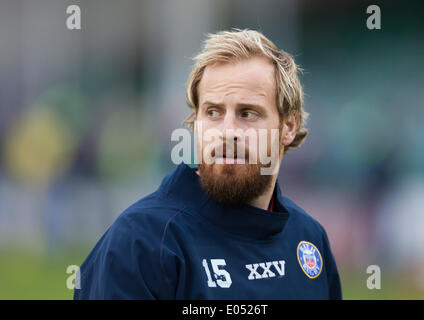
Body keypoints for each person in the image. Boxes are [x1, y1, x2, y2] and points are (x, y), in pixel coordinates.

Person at [74, 29, 342, 300]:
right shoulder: (142, 241)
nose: (227, 132)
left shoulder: (308, 240)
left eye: (248, 113)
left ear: (288, 126)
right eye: (213, 112)